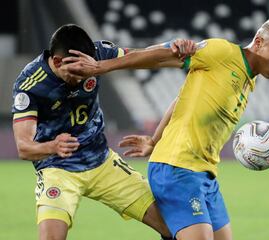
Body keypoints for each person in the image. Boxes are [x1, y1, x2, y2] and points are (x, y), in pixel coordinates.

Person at [61, 18, 269, 240]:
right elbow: (161, 56)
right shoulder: (222, 53)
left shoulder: (250, 79)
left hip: (205, 173)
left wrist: (153, 140)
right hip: (177, 168)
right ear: (258, 43)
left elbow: (180, 100)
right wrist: (101, 67)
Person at [11, 24, 196, 240]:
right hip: (58, 169)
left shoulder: (97, 55)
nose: (81, 78)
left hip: (102, 162)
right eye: (75, 72)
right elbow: (23, 147)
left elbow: (142, 55)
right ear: (57, 61)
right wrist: (51, 146)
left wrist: (174, 46)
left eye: (85, 71)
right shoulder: (30, 83)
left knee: (175, 227)